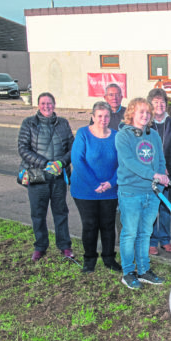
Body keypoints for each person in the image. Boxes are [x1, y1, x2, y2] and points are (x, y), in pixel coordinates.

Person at [115, 98, 169, 289]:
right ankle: (128, 272)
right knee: (130, 233)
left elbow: (160, 160)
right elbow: (130, 162)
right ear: (131, 113)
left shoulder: (153, 135)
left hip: (151, 193)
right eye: (141, 112)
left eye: (148, 112)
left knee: (145, 232)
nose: (145, 115)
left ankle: (144, 269)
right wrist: (153, 175)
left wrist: (160, 180)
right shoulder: (123, 136)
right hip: (131, 192)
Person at [18, 92, 74, 261]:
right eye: (43, 103)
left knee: (61, 213)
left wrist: (61, 163)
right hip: (37, 178)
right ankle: (40, 246)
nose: (46, 106)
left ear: (54, 104)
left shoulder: (63, 123)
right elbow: (23, 149)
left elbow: (72, 148)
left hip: (58, 178)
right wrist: (45, 164)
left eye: (49, 103)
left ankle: (65, 246)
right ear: (38, 105)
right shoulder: (29, 123)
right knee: (38, 214)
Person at [71, 101, 121, 273]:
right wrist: (94, 184)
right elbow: (77, 160)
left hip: (109, 191)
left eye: (106, 115)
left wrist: (111, 182)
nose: (103, 119)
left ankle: (109, 258)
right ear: (93, 117)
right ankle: (89, 259)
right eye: (99, 116)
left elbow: (123, 163)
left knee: (108, 225)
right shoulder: (83, 133)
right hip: (85, 190)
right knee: (90, 224)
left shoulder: (116, 136)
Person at [147, 88, 171, 255]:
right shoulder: (146, 125)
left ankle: (165, 239)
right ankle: (151, 241)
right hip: (150, 174)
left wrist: (169, 169)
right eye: (155, 102)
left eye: (162, 102)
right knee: (152, 208)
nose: (159, 105)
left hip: (168, 175)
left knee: (165, 208)